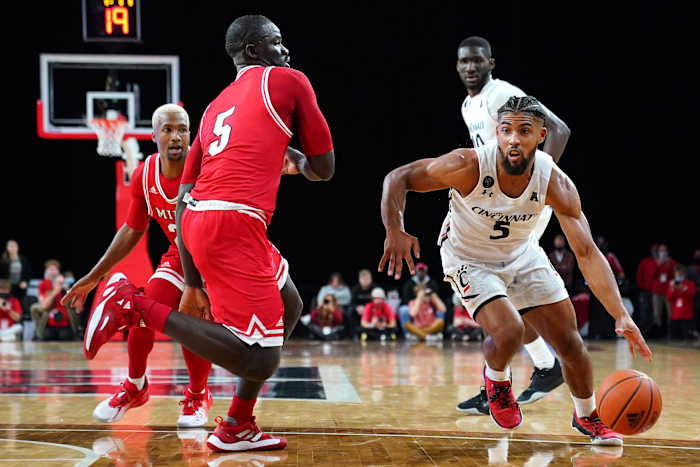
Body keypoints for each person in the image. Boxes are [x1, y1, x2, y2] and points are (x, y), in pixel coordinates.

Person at [80, 15, 334, 453]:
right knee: (260, 356)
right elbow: (324, 169)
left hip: (204, 220)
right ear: (254, 50)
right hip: (233, 221)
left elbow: (182, 199)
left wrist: (193, 281)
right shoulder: (290, 81)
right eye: (277, 42)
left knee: (289, 304)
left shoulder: (217, 106)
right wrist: (294, 156)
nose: (285, 50)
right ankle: (132, 303)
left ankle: (237, 424)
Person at [379, 96, 651, 444]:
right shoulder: (469, 164)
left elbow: (586, 252)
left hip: (522, 254)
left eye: (524, 131)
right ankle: (497, 381)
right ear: (497, 132)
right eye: (506, 130)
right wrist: (394, 228)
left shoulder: (555, 182)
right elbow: (398, 177)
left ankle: (587, 417)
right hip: (468, 256)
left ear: (540, 136)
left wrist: (620, 315)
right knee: (509, 329)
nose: (513, 139)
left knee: (570, 343)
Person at [63, 104, 219, 427]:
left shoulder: (207, 168)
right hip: (181, 258)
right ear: (153, 135)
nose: (176, 136)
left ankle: (198, 393)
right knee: (145, 309)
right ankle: (136, 386)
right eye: (168, 129)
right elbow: (132, 230)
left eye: (183, 129)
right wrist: (93, 278)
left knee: (199, 327)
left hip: (219, 261)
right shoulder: (145, 176)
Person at [453, 36, 570, 414]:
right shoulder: (469, 104)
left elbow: (559, 130)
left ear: (491, 62)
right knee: (499, 298)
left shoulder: (502, 92)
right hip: (495, 208)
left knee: (499, 291)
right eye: (463, 62)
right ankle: (543, 367)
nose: (470, 67)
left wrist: (536, 183)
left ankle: (529, 373)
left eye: (476, 61)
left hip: (520, 207)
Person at [30, 259, 78, 341]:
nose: (52, 272)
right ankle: (39, 333)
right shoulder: (43, 284)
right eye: (50, 269)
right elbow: (44, 305)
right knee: (47, 336)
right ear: (46, 271)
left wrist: (66, 289)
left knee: (65, 337)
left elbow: (77, 305)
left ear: (58, 271)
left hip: (65, 320)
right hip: (49, 319)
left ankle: (76, 332)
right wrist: (55, 292)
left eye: (54, 269)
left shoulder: (66, 283)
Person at [651, 244, 676, 337]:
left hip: (668, 291)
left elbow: (674, 275)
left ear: (667, 252)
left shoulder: (672, 262)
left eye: (664, 250)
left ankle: (671, 332)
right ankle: (658, 333)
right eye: (661, 251)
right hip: (657, 291)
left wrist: (668, 264)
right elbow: (652, 274)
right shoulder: (655, 262)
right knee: (657, 313)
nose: (663, 253)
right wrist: (658, 264)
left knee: (670, 312)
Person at [666, 264, 695, 339]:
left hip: (686, 314)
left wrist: (683, 288)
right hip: (675, 314)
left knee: (686, 335)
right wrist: (672, 288)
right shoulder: (672, 284)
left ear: (684, 274)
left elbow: (691, 295)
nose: (678, 275)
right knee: (676, 336)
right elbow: (669, 298)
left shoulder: (690, 284)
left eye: (680, 273)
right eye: (677, 274)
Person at [635, 244, 658, 335]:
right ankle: (643, 332)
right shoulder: (645, 262)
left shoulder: (660, 263)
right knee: (644, 312)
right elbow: (639, 276)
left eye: (657, 250)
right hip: (645, 291)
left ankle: (653, 333)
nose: (655, 252)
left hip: (656, 292)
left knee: (654, 313)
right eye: (654, 250)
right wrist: (642, 288)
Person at [347, 269, 377, 338]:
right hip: (359, 309)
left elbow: (378, 302)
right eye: (363, 279)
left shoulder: (375, 288)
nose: (365, 281)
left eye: (367, 279)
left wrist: (366, 309)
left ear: (371, 279)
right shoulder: (355, 289)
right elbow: (352, 303)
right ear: (359, 279)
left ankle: (375, 333)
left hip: (371, 309)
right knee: (350, 311)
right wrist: (357, 307)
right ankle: (354, 334)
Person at [1, 240, 31, 304]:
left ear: (17, 247)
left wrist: (25, 282)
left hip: (20, 286)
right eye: (10, 246)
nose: (12, 248)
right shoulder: (3, 260)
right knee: (6, 304)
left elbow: (28, 273)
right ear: (7, 248)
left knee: (21, 304)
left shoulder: (23, 259)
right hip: (7, 286)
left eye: (14, 246)